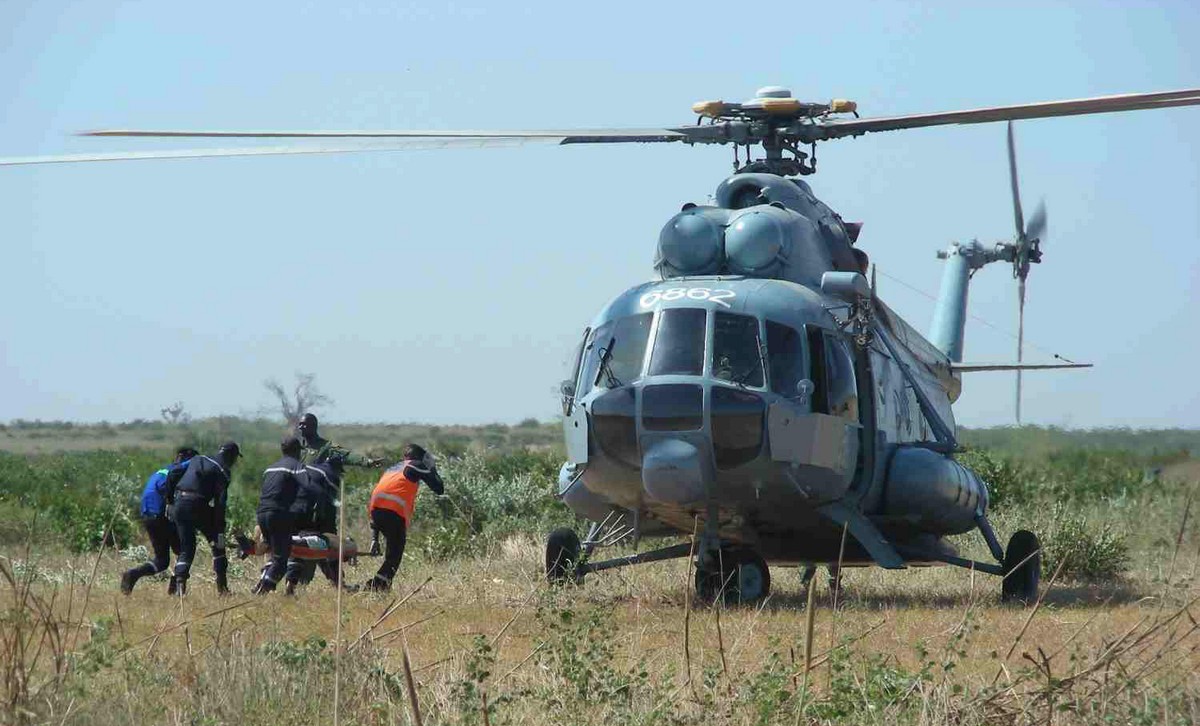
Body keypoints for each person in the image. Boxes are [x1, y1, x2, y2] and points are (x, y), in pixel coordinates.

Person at [363, 444, 444, 592]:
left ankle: (382, 587)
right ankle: (375, 587)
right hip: (393, 513)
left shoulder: (393, 468)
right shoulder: (416, 465)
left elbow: (380, 495)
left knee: (392, 554)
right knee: (394, 557)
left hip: (376, 512)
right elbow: (439, 488)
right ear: (420, 457)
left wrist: (375, 538)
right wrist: (432, 467)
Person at [120, 446, 198, 594]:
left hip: (148, 515)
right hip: (162, 514)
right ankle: (177, 588)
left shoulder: (163, 470)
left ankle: (133, 574)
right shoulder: (181, 470)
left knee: (162, 561)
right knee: (185, 550)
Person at [171, 441, 241, 596]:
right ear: (231, 456)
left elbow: (174, 472)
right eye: (235, 459)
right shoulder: (223, 471)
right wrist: (219, 528)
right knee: (218, 544)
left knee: (187, 547)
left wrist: (169, 502)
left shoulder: (197, 459)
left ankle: (180, 586)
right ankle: (222, 588)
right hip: (197, 505)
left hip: (179, 504)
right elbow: (220, 503)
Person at [281, 456, 350, 594]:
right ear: (337, 468)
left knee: (296, 546)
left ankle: (291, 582)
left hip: (288, 508)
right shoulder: (330, 476)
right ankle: (339, 583)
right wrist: (331, 536)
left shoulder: (311, 468)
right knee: (325, 544)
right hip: (305, 510)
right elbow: (328, 509)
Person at [251, 436, 304, 594]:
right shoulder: (296, 466)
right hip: (278, 514)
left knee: (273, 551)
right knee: (281, 558)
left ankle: (263, 580)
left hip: (262, 514)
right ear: (297, 451)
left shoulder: (271, 468)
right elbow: (308, 486)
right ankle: (264, 589)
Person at [295, 412, 380, 467]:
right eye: (300, 424)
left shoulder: (325, 447)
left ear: (313, 426)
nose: (300, 427)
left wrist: (367, 462)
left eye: (304, 425)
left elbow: (346, 455)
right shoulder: (297, 448)